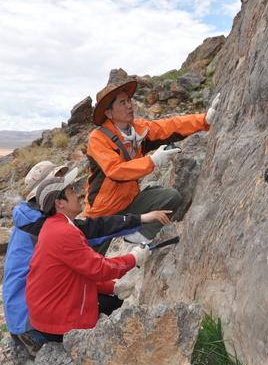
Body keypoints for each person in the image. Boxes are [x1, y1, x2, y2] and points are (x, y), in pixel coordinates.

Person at [2, 160, 170, 355]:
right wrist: (134, 257)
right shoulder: (45, 228)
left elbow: (70, 271)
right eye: (67, 187)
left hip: (37, 307)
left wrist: (112, 286)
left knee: (111, 301)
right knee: (111, 311)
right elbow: (95, 262)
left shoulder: (41, 220)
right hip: (29, 320)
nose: (77, 193)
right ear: (55, 199)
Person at [85, 79, 220, 251]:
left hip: (130, 203)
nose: (129, 106)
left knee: (171, 197)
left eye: (129, 100)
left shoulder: (137, 129)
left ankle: (135, 238)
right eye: (122, 102)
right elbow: (115, 170)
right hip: (103, 215)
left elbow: (169, 126)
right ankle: (120, 241)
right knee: (95, 265)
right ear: (109, 113)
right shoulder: (98, 139)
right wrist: (152, 161)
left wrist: (204, 120)